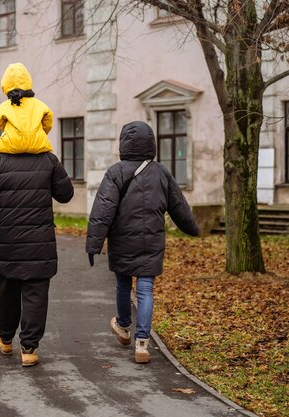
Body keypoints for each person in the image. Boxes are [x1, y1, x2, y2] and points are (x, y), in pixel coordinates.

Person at [0, 63, 74, 367]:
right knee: (35, 293)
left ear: (6, 120)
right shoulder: (48, 159)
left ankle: (5, 338)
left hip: (7, 241)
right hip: (40, 241)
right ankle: (29, 349)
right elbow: (65, 194)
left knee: (8, 287)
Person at [85, 121, 199, 364]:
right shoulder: (161, 173)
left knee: (123, 285)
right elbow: (179, 206)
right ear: (151, 143)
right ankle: (142, 344)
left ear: (123, 143)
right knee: (146, 289)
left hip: (122, 240)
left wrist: (94, 244)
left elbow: (103, 210)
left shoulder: (115, 172)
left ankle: (124, 326)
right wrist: (192, 229)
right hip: (152, 240)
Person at [0, 63, 54, 158]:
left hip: (11, 142)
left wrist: (10, 126)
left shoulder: (5, 106)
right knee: (51, 158)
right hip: (38, 142)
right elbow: (48, 122)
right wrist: (36, 132)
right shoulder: (40, 104)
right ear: (28, 80)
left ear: (6, 84)